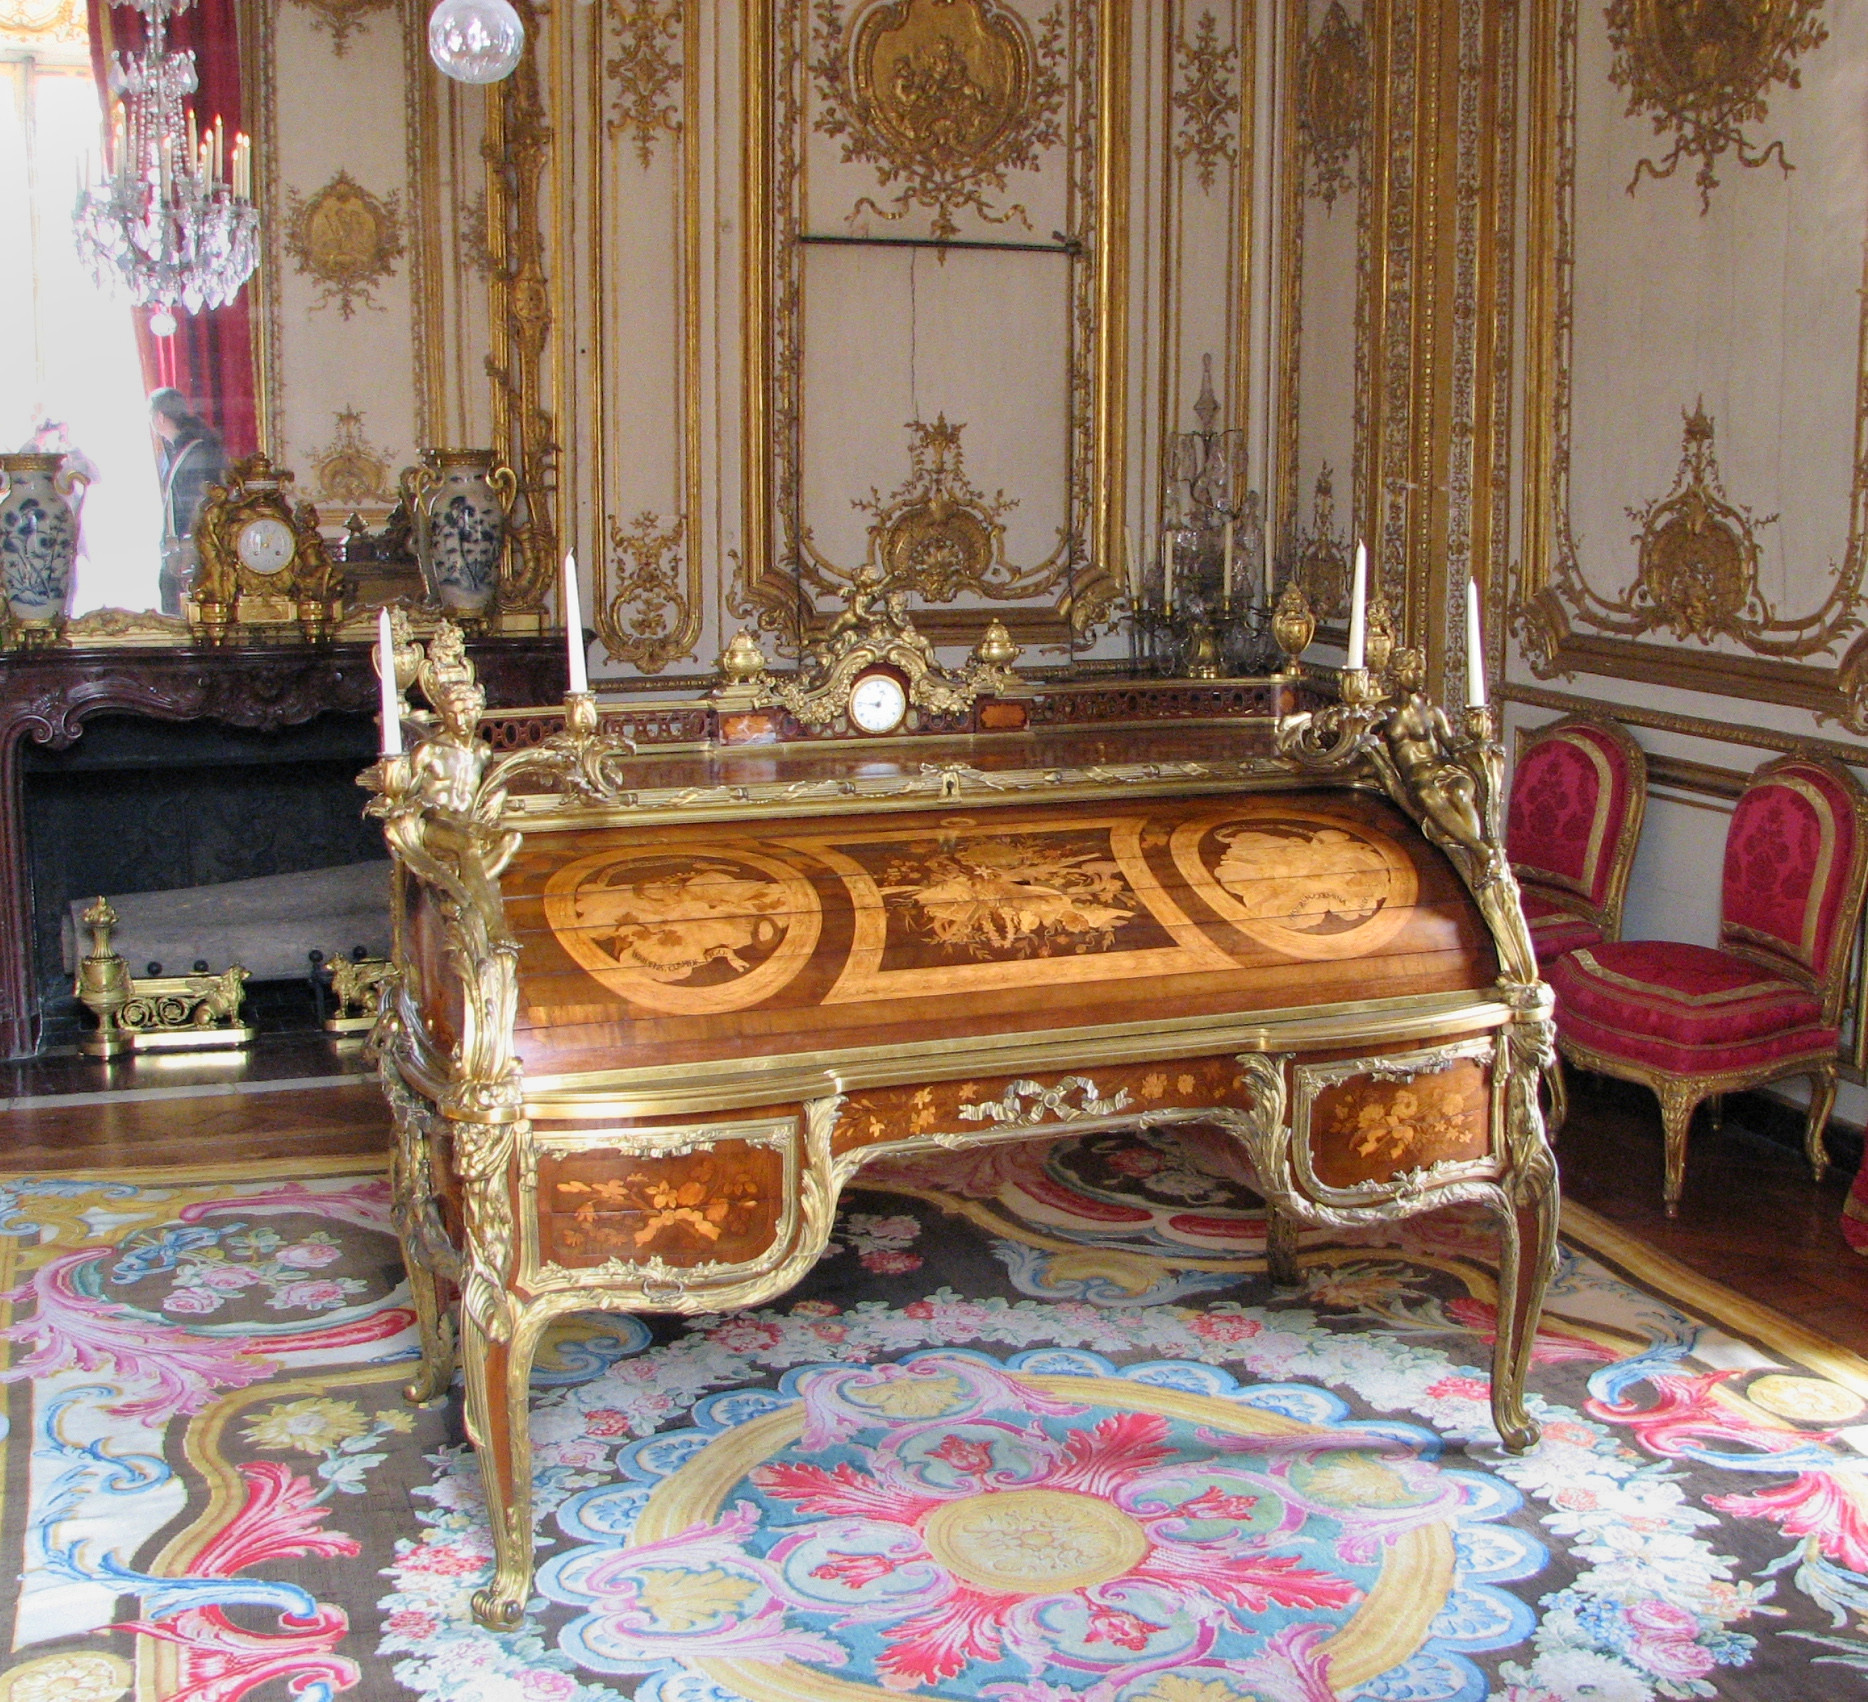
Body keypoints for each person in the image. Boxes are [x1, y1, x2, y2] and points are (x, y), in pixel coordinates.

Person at [149, 389, 225, 615]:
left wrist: (188, 546)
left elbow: (200, 506)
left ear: (160, 417)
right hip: (183, 550)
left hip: (193, 553)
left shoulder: (196, 452)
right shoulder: (174, 451)